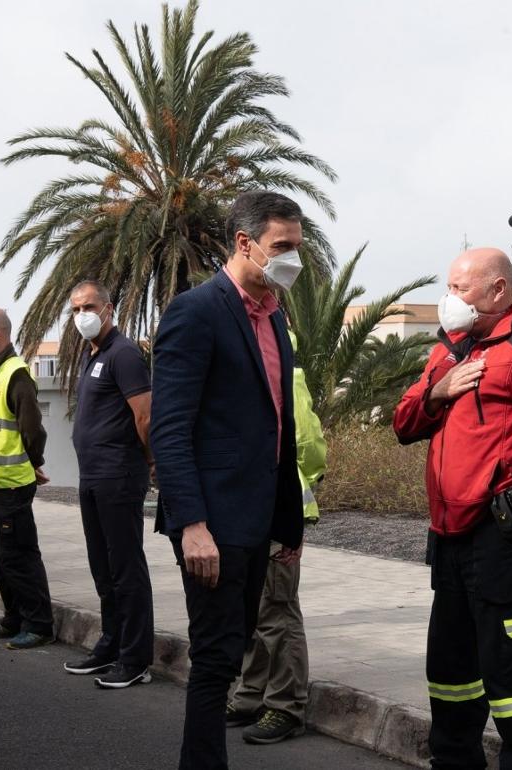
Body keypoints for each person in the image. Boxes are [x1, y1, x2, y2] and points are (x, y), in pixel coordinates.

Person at [393, 248, 512, 769]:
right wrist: (437, 391)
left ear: (500, 290)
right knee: (451, 672)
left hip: (504, 537)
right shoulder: (449, 352)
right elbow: (404, 423)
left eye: (462, 289)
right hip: (449, 538)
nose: (450, 299)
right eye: (450, 286)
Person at [151, 190, 304, 770]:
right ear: (245, 244)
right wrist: (191, 524)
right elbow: (170, 428)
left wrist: (288, 521)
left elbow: (278, 423)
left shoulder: (275, 314)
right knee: (216, 658)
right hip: (211, 520)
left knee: (234, 648)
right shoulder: (197, 311)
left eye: (296, 246)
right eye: (280, 246)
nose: (292, 258)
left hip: (259, 516)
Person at [226, 329, 327, 745]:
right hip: (251, 514)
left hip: (281, 517)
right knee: (258, 613)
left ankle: (286, 707)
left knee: (280, 614)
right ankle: (251, 695)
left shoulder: (287, 379)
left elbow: (311, 449)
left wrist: (293, 512)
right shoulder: (245, 382)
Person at [62, 280, 156, 688]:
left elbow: (145, 415)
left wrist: (152, 461)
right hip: (93, 476)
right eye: (75, 309)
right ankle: (111, 643)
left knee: (125, 568)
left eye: (88, 306)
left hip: (119, 475)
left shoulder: (125, 353)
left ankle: (135, 659)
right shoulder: (92, 354)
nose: (81, 314)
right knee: (103, 567)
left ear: (108, 308)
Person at [0, 308, 55, 650]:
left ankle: (39, 624)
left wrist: (33, 461)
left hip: (10, 486)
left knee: (19, 557)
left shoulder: (16, 374)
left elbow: (32, 428)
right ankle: (13, 618)